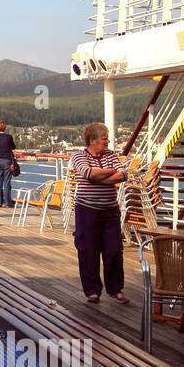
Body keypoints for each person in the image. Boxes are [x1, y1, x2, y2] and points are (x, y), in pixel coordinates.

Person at [70, 122, 129, 304]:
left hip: (110, 211)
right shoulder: (79, 157)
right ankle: (92, 291)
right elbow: (88, 174)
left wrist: (100, 177)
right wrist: (110, 173)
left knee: (114, 250)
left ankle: (115, 289)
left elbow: (123, 175)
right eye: (104, 139)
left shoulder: (111, 155)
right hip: (87, 211)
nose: (108, 142)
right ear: (92, 140)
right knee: (88, 251)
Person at [0, 120, 16, 208]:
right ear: (4, 128)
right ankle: (8, 202)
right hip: (7, 160)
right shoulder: (8, 137)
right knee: (7, 182)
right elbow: (13, 147)